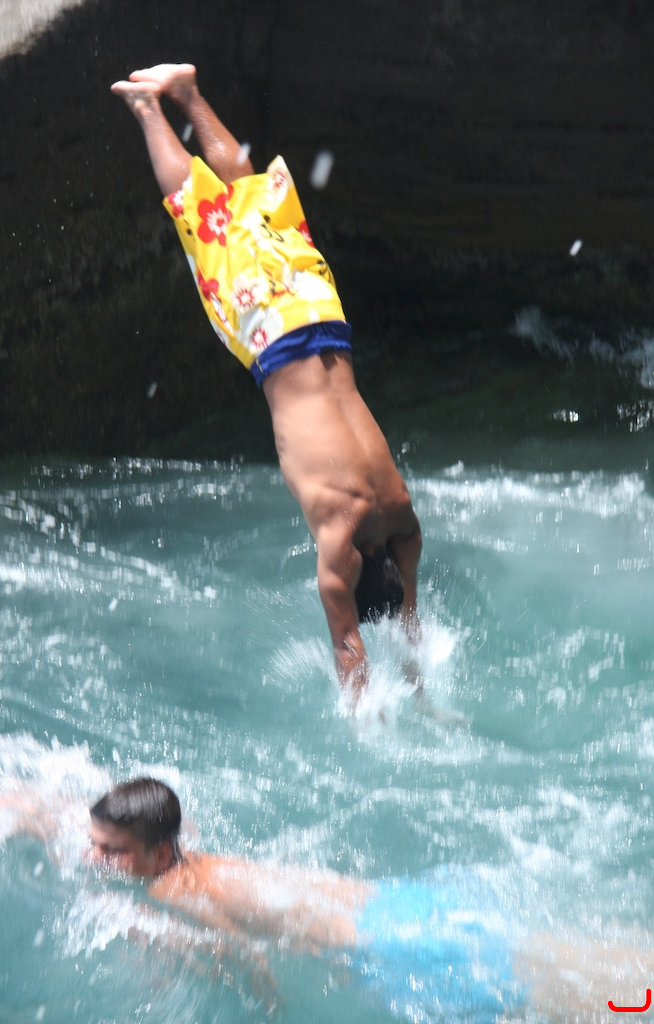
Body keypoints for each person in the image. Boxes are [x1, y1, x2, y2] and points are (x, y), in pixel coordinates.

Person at [110, 65, 423, 702]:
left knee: (254, 203)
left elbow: (408, 617)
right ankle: (147, 106)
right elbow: (348, 648)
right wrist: (369, 716)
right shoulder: (337, 543)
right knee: (202, 216)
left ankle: (187, 92)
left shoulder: (403, 520)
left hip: (323, 316)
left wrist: (421, 691)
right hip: (273, 340)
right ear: (355, 576)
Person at [0, 776, 651, 1023]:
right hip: (398, 905)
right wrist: (23, 813)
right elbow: (88, 814)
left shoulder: (177, 891)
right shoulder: (183, 850)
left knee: (570, 999)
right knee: (565, 962)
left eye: (110, 851)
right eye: (96, 844)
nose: (94, 858)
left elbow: (240, 957)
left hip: (397, 950)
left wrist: (269, 1005)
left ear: (157, 855)